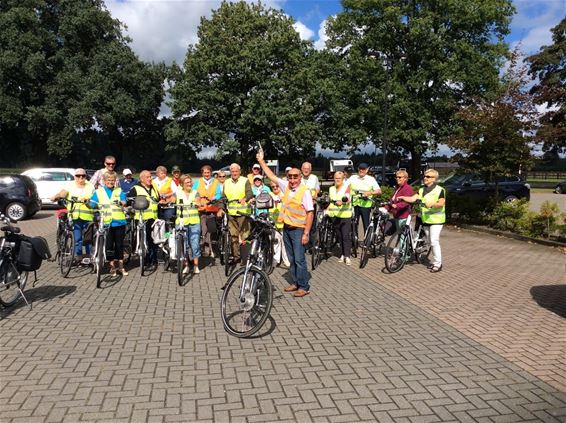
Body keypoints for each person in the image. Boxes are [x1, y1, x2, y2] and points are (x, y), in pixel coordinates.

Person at [257, 151, 314, 298]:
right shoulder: (286, 186)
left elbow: (310, 213)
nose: (293, 179)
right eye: (290, 176)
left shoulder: (305, 192)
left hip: (299, 230)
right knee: (291, 258)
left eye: (295, 176)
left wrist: (306, 233)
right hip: (287, 228)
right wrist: (261, 161)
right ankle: (295, 282)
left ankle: (303, 286)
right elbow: (271, 176)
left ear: (300, 177)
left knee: (300, 259)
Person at [398, 169, 445, 273]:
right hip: (425, 219)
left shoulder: (439, 190)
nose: (425, 178)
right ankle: (422, 249)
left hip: (437, 220)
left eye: (428, 176)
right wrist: (403, 198)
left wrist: (432, 204)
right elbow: (413, 198)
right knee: (429, 241)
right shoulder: (422, 189)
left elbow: (441, 203)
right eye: (425, 176)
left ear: (434, 179)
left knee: (434, 241)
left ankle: (438, 263)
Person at [50, 168, 95, 264]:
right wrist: (55, 197)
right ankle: (78, 257)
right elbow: (62, 193)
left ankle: (89, 257)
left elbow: (94, 200)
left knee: (88, 239)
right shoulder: (70, 185)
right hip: (74, 216)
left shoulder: (90, 186)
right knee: (77, 238)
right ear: (75, 177)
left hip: (88, 216)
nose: (81, 178)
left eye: (83, 176)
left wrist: (88, 201)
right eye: (78, 176)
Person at [90, 172, 128, 276]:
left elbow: (124, 201)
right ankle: (112, 267)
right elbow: (92, 204)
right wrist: (89, 203)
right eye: (108, 180)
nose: (111, 182)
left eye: (112, 180)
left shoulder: (119, 190)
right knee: (109, 246)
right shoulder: (98, 192)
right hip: (106, 223)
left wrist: (122, 202)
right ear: (104, 181)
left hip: (119, 222)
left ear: (115, 181)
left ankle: (121, 266)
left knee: (119, 245)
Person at [219, 163, 253, 264]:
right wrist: (221, 208)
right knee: (233, 236)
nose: (234, 173)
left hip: (243, 213)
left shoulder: (245, 180)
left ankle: (245, 259)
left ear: (239, 171)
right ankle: (236, 257)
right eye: (232, 171)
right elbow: (223, 197)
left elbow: (250, 193)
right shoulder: (227, 182)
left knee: (245, 236)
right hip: (231, 213)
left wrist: (245, 198)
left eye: (236, 171)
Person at [128, 170, 160, 267]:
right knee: (143, 239)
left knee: (153, 239)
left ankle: (153, 259)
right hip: (141, 218)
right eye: (148, 177)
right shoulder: (135, 188)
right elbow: (129, 201)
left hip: (153, 218)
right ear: (141, 179)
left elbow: (158, 199)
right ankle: (145, 259)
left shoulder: (154, 188)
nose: (150, 179)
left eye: (150, 177)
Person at [193, 165, 222, 257]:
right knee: (203, 228)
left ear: (211, 173)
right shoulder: (197, 182)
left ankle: (210, 247)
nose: (206, 174)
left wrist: (213, 198)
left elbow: (218, 194)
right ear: (202, 173)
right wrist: (198, 199)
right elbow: (193, 193)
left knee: (211, 228)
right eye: (205, 173)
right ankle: (206, 248)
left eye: (208, 172)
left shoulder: (216, 182)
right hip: (201, 209)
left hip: (211, 208)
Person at [176, 174, 201, 274]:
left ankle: (195, 265)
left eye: (190, 182)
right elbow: (172, 199)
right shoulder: (177, 193)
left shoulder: (195, 193)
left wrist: (198, 203)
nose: (189, 184)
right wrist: (167, 201)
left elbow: (198, 201)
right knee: (183, 245)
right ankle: (186, 265)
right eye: (187, 182)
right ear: (182, 184)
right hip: (181, 222)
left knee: (195, 244)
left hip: (194, 222)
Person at [349, 162, 381, 234]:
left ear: (367, 170)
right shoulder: (352, 178)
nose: (361, 170)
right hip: (354, 204)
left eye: (363, 169)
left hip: (365, 205)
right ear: (358, 169)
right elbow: (345, 187)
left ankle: (366, 242)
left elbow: (379, 191)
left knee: (366, 224)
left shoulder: (371, 179)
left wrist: (369, 193)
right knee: (353, 224)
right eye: (360, 169)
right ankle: (354, 241)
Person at [328, 171, 352, 265]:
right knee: (339, 236)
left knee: (345, 236)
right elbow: (331, 201)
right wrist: (327, 209)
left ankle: (347, 256)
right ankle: (342, 254)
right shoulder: (331, 189)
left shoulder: (347, 187)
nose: (337, 180)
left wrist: (342, 202)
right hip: (334, 215)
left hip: (345, 216)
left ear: (343, 179)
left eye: (339, 178)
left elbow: (348, 198)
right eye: (336, 178)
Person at [268, 182, 290, 268]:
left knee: (285, 242)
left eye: (277, 186)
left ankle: (286, 260)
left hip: (284, 221)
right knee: (275, 241)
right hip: (273, 221)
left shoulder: (284, 194)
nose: (275, 188)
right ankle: (276, 260)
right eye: (273, 186)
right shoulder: (269, 194)